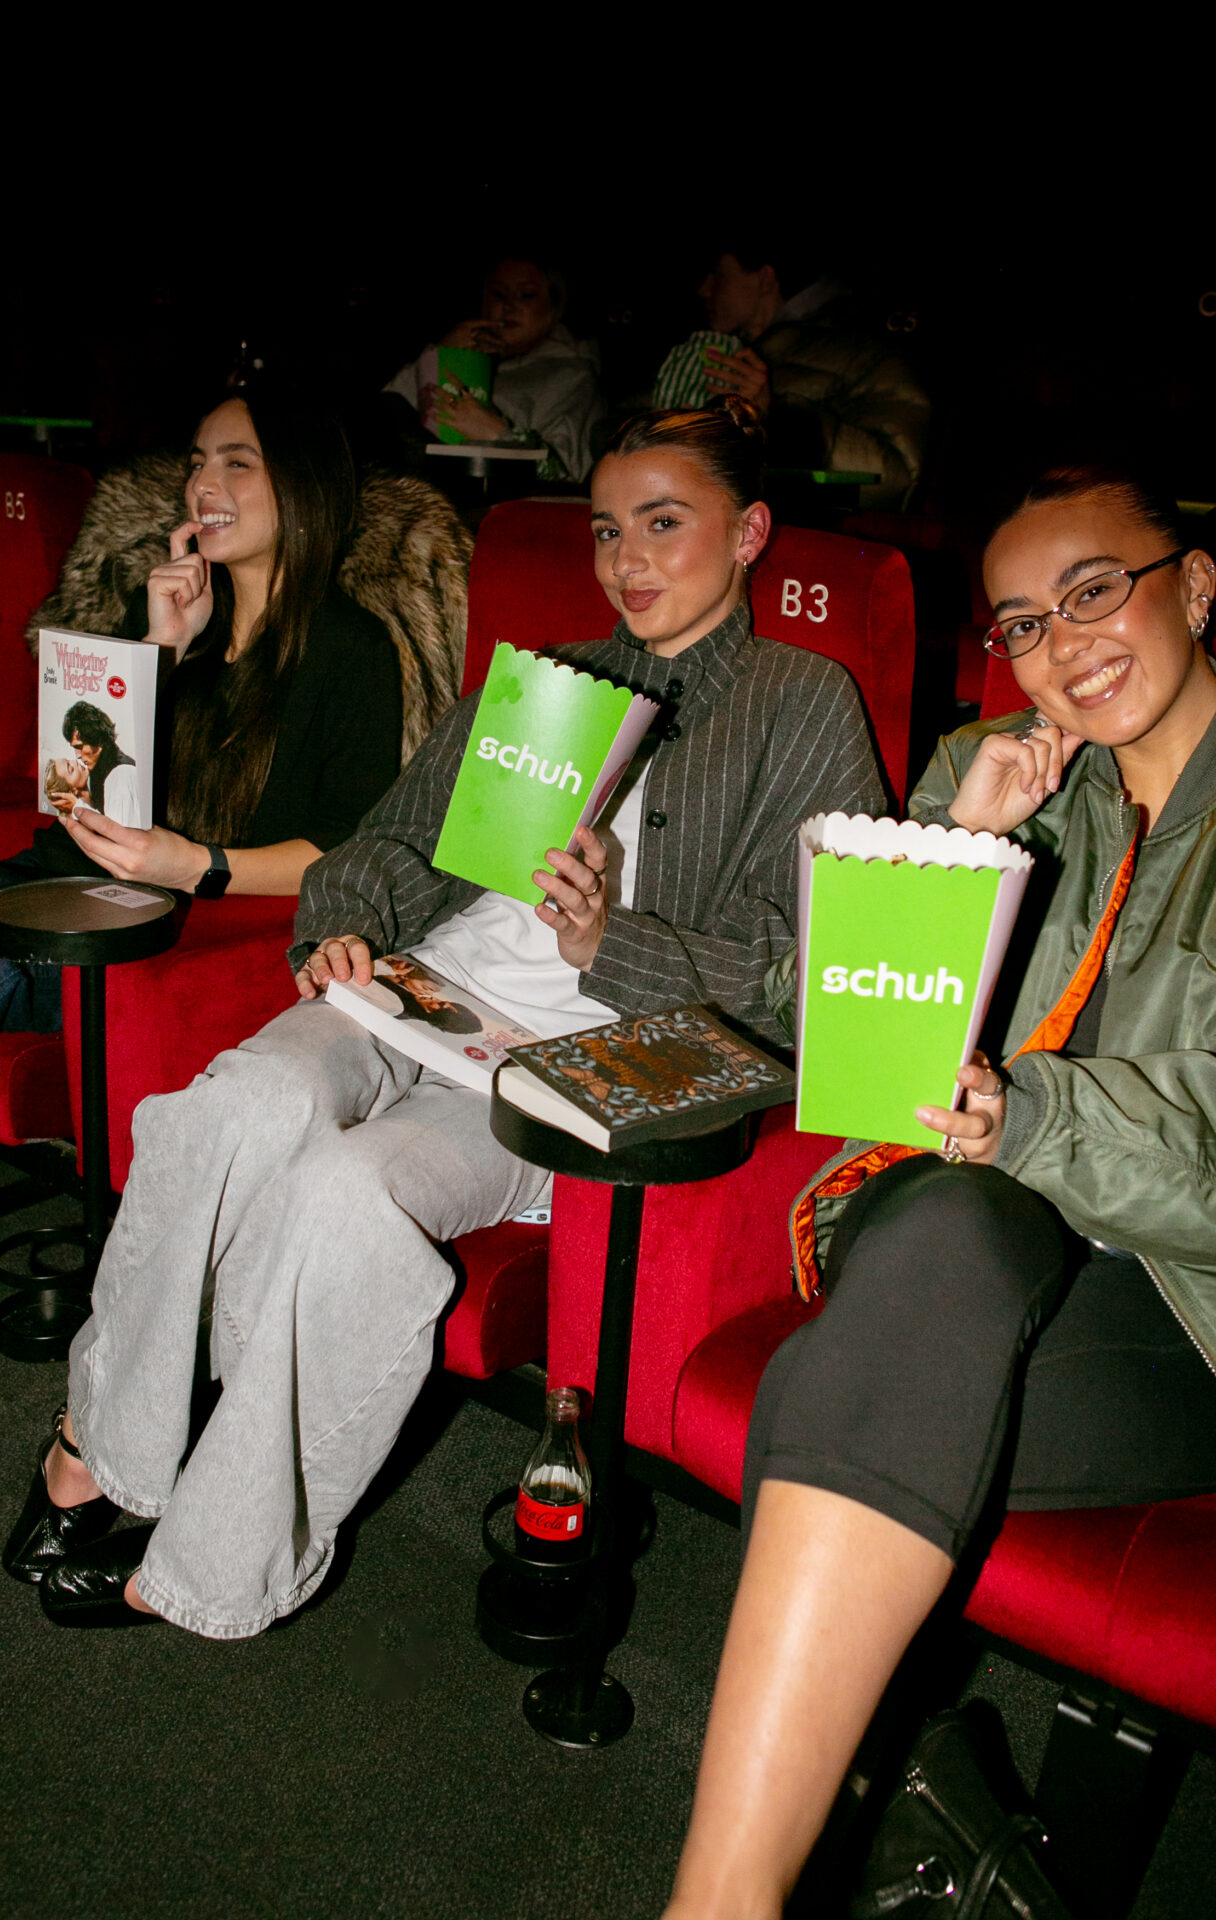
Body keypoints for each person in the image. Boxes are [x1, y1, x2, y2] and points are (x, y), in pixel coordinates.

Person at [5, 399, 886, 1638]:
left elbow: (806, 968)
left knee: (347, 1195)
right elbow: (393, 840)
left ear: (748, 533)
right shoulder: (557, 684)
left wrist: (609, 942)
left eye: (661, 524)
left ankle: (219, 1558)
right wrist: (343, 928)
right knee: (227, 1109)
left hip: (562, 1065)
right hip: (417, 991)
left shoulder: (802, 707)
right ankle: (103, 1446)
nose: (624, 559)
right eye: (602, 530)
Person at [664, 464, 1216, 1920]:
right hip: (965, 1246)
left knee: (830, 1399)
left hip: (1186, 1309)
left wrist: (1024, 1112)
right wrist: (966, 845)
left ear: (1199, 585)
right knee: (931, 1276)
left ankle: (844, 1827)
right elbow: (832, 1041)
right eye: (1024, 624)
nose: (1063, 647)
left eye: (1096, 592)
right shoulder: (1007, 774)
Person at [0, 389, 403, 1201]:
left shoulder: (351, 649)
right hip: (62, 889)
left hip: (158, 922)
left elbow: (342, 851)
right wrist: (158, 647)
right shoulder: (173, 615)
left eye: (236, 462)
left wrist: (195, 865)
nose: (203, 485)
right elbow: (73, 791)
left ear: (303, 487)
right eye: (196, 463)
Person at [659, 241, 930, 510]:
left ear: (764, 279)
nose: (703, 289)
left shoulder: (869, 346)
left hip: (819, 538)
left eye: (718, 274)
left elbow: (897, 481)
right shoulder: (708, 353)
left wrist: (773, 415)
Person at [384, 256, 605, 483]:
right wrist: (440, 354)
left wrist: (498, 434)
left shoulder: (573, 374)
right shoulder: (467, 361)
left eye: (526, 295)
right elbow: (386, 412)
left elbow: (565, 476)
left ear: (554, 305)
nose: (509, 306)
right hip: (427, 491)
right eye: (498, 294)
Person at [56, 702, 142, 825]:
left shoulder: (122, 775)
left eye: (80, 746)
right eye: (75, 748)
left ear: (98, 740)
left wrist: (77, 808)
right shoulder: (95, 772)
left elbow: (119, 837)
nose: (78, 755)